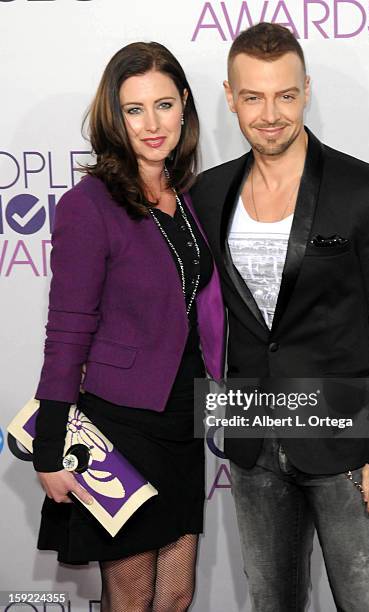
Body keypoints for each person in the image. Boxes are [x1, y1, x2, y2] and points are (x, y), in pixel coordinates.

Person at [190, 22, 369, 612]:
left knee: (366, 603)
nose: (270, 114)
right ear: (230, 96)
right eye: (253, 97)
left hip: (345, 444)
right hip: (251, 442)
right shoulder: (210, 193)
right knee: (271, 602)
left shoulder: (366, 191)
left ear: (306, 91)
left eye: (285, 95)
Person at [32, 41, 225, 612]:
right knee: (133, 596)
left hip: (184, 419)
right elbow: (67, 330)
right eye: (134, 109)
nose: (151, 124)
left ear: (185, 105)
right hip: (121, 425)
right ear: (114, 116)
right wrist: (49, 448)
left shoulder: (188, 198)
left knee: (177, 594)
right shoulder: (88, 205)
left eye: (164, 105)